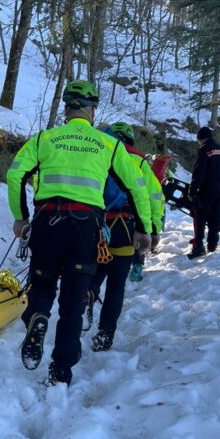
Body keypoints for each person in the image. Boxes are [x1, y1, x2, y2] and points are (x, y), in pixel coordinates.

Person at [7, 80, 152, 386]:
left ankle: (37, 316)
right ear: (92, 111)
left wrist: (20, 217)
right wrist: (144, 229)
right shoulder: (108, 144)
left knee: (42, 284)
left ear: (66, 110)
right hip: (86, 228)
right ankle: (60, 372)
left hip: (48, 222)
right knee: (73, 302)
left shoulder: (44, 138)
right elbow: (137, 185)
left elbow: (15, 173)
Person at [88, 122, 162, 352]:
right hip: (125, 228)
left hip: (96, 224)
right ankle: (105, 335)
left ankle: (86, 298)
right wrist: (153, 229)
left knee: (94, 271)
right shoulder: (139, 161)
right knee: (116, 284)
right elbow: (154, 198)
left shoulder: (97, 153)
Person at [187, 126, 220, 259]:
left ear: (200, 138)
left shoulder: (204, 150)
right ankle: (212, 244)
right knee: (215, 217)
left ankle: (198, 245)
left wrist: (192, 191)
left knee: (200, 216)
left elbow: (199, 172)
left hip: (209, 189)